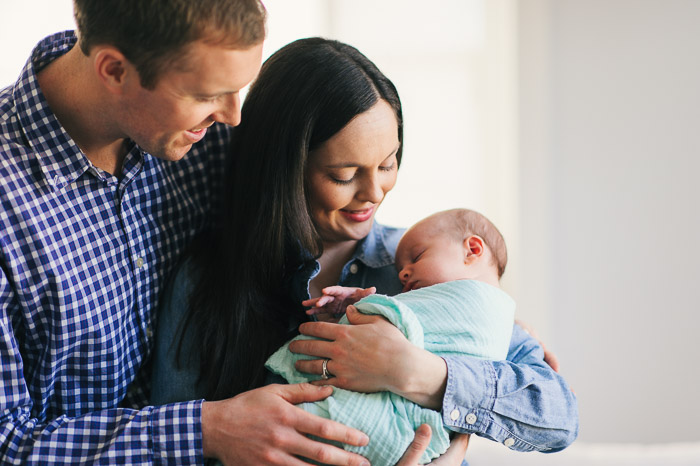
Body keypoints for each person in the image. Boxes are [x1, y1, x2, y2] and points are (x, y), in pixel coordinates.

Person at [152, 37, 578, 465]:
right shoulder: (206, 283)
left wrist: (421, 374)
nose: (374, 193)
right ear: (285, 171)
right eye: (343, 175)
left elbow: (555, 417)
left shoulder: (424, 269)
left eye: (387, 164)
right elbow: (175, 444)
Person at [1, 2, 391, 465]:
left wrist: (436, 386)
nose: (232, 117)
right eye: (209, 94)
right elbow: (6, 442)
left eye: (238, 90)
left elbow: (346, 227)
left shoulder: (205, 142)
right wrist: (208, 429)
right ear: (114, 70)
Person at [266, 208, 517, 465]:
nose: (401, 274)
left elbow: (397, 324)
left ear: (472, 250)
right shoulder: (492, 312)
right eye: (401, 268)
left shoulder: (480, 306)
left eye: (417, 257)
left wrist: (359, 309)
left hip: (406, 430)